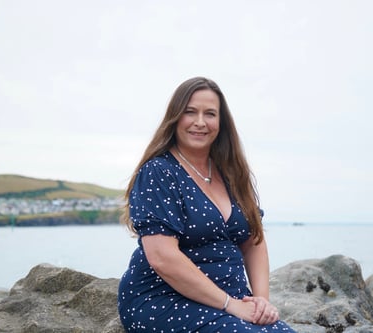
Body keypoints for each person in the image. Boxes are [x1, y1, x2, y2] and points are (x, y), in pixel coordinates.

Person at [117, 77, 296, 332]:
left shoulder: (232, 173)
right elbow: (162, 257)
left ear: (221, 123)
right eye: (190, 112)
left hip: (230, 300)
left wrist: (261, 302)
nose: (200, 122)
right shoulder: (159, 172)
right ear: (175, 118)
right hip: (162, 299)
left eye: (210, 114)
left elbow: (253, 241)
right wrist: (230, 305)